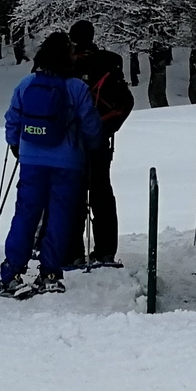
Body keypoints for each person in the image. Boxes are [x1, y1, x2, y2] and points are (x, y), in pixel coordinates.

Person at [0, 32, 102, 298]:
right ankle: (50, 273)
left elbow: (12, 119)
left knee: (26, 214)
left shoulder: (27, 84)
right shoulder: (76, 88)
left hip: (31, 160)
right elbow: (91, 126)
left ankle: (11, 273)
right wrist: (94, 146)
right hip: (68, 162)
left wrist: (16, 145)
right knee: (59, 215)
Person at [66, 19, 133, 269]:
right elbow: (125, 101)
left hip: (69, 143)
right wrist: (105, 130)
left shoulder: (65, 64)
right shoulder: (108, 61)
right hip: (100, 142)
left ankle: (71, 252)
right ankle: (105, 252)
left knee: (71, 195)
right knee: (102, 194)